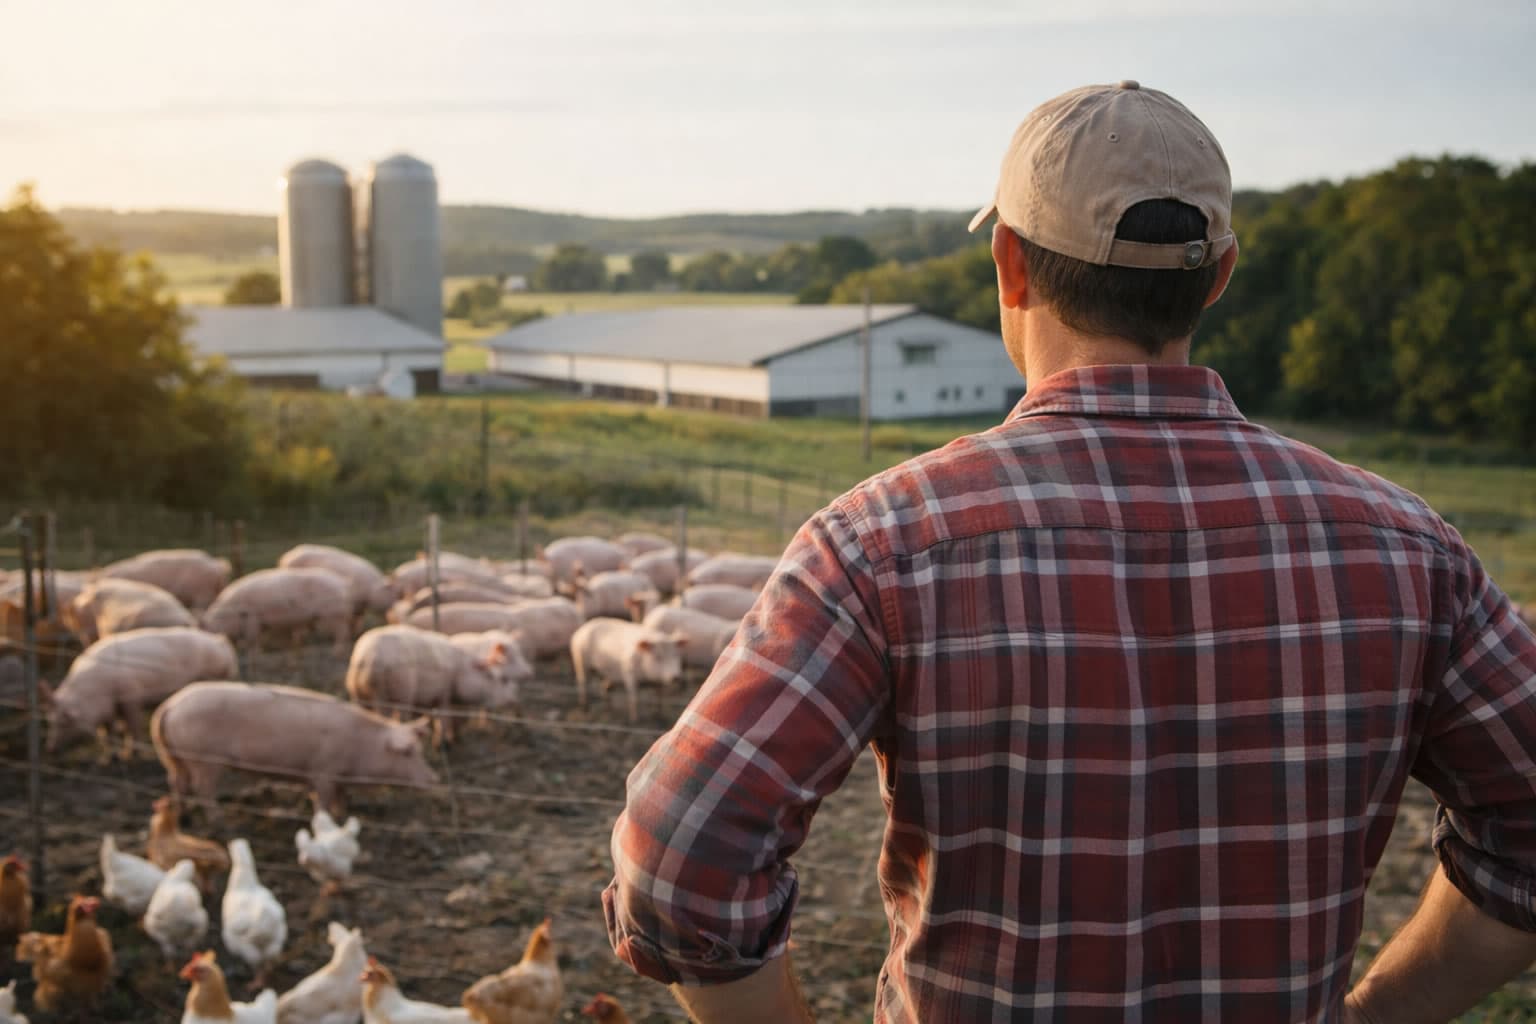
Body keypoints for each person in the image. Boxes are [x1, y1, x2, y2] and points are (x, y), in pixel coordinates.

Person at [601, 81, 1536, 1022]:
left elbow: (680, 856)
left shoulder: (884, 545)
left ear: (1009, 263)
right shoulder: (1409, 551)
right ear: (1218, 275)